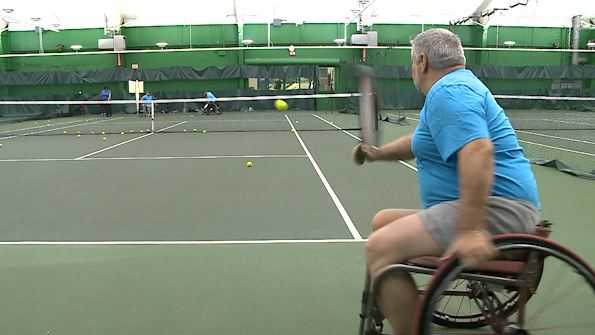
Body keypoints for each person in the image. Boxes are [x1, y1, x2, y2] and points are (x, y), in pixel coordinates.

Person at [353, 28, 540, 335]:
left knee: (379, 248)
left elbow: (478, 150)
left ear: (422, 61)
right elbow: (419, 142)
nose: (412, 68)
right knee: (382, 221)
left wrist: (470, 229)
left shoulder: (449, 92)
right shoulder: (455, 88)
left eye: (412, 61)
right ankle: (396, 304)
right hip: (500, 207)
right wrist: (377, 153)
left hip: (498, 211)